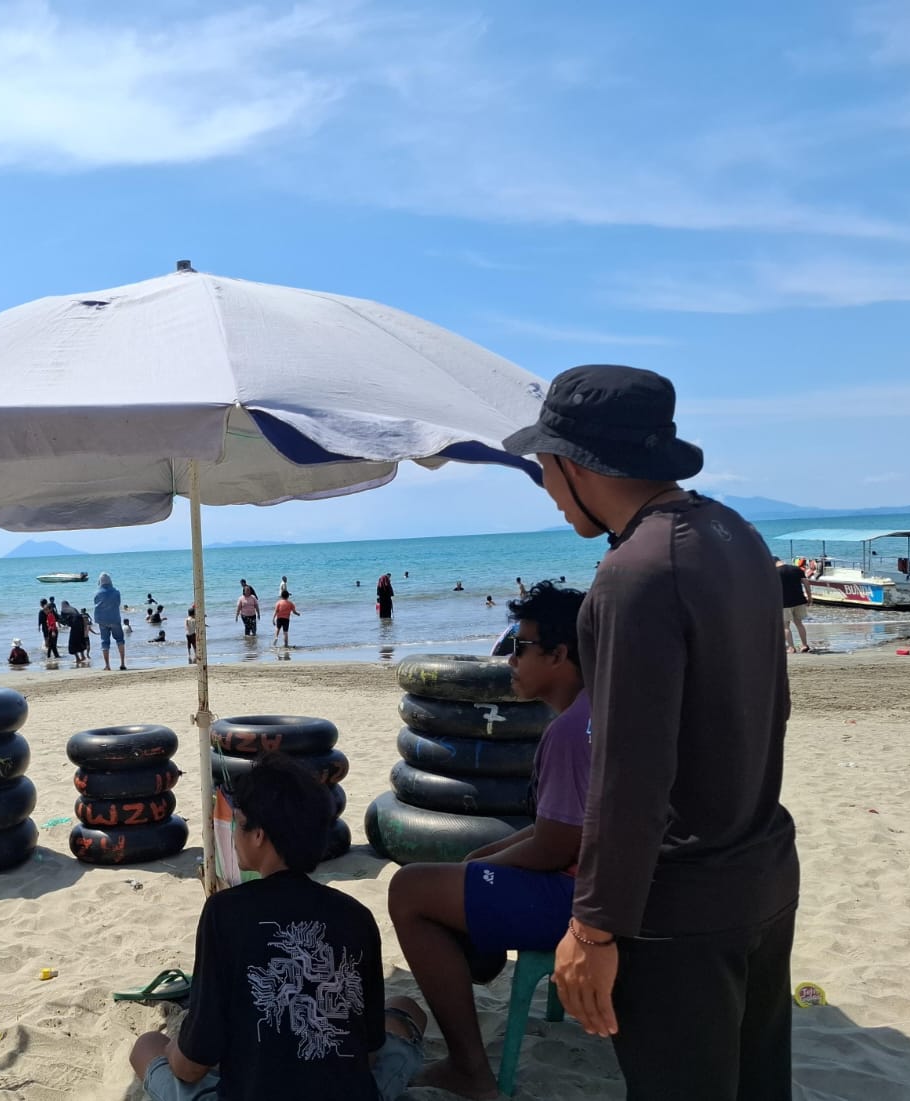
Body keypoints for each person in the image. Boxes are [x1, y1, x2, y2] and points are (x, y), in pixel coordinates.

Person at [503, 364, 798, 1101]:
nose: (545, 486)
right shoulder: (733, 532)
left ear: (574, 464)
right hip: (761, 867)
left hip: (681, 902)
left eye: (543, 466)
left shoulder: (634, 572)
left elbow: (628, 771)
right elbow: (772, 703)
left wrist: (593, 928)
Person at [389, 581, 591, 1099]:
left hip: (583, 902)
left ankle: (469, 1070)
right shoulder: (600, 713)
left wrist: (480, 868)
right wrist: (482, 859)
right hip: (609, 888)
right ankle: (480, 949)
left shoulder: (569, 733)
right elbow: (562, 829)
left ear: (559, 654)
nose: (509, 659)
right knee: (465, 869)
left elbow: (555, 847)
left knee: (409, 890)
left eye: (520, 646)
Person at [128, 754, 428, 1101]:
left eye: (238, 824)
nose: (233, 836)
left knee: (148, 1045)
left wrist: (172, 1050)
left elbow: (192, 1065)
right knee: (406, 1008)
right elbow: (369, 1053)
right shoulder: (356, 916)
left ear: (259, 835)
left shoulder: (225, 912)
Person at [775, 557, 812, 654]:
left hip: (784, 603)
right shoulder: (796, 569)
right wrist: (809, 597)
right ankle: (804, 645)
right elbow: (806, 583)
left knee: (785, 626)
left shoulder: (775, 572)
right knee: (799, 624)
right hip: (799, 600)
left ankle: (791, 648)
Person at [93, 572, 127, 670]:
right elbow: (118, 603)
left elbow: (96, 604)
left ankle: (107, 665)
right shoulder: (116, 592)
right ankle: (122, 663)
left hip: (102, 620)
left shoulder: (97, 593)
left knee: (104, 642)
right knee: (120, 640)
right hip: (114, 618)